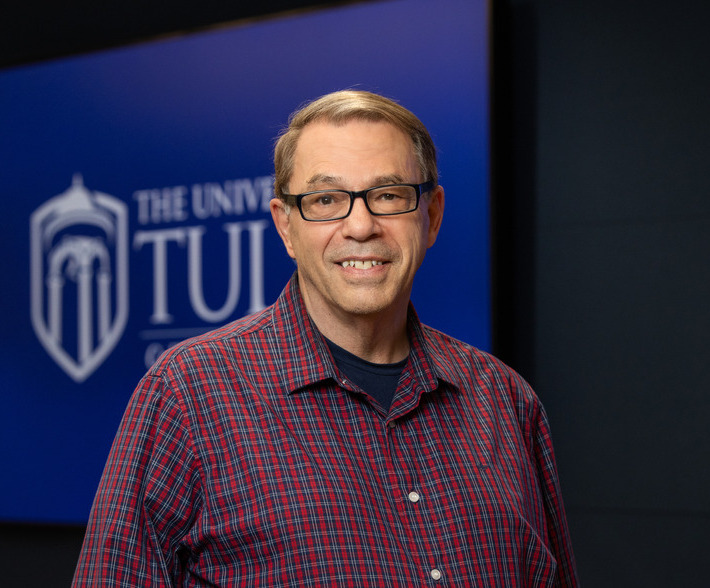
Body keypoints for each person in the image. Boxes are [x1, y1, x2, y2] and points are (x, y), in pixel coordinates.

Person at [73, 90, 578, 586]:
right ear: (286, 226)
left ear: (432, 216)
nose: (361, 226)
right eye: (326, 200)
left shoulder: (504, 400)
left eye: (388, 195)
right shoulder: (188, 394)